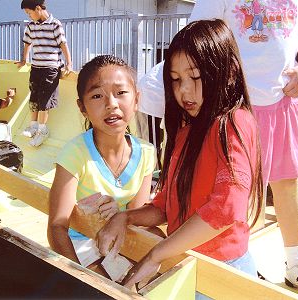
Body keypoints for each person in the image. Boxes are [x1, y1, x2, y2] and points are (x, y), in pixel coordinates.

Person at [96, 19, 263, 289]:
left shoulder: (234, 123)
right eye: (175, 80)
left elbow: (226, 208)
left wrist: (156, 254)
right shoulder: (187, 132)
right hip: (186, 264)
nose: (184, 90)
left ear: (230, 71)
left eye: (195, 77)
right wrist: (124, 217)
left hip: (222, 275)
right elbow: (166, 207)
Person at [189, 0, 298, 295]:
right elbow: (197, 34)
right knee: (238, 190)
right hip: (235, 107)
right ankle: (241, 258)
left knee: (287, 185)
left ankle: (296, 262)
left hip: (283, 102)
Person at [47, 55, 156, 266]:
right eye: (97, 96)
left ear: (136, 100)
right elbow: (56, 228)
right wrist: (79, 278)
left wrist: (120, 214)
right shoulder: (75, 153)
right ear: (82, 107)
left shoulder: (146, 152)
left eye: (121, 93)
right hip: (80, 244)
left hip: (118, 238)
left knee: (157, 242)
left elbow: (136, 218)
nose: (111, 104)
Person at [17, 0, 72, 147]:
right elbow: (27, 43)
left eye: (29, 13)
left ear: (38, 8)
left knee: (44, 99)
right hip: (36, 67)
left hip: (50, 68)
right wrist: (23, 60)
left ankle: (43, 130)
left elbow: (63, 44)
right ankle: (33, 126)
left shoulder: (55, 24)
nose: (29, 16)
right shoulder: (31, 26)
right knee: (34, 96)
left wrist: (69, 63)